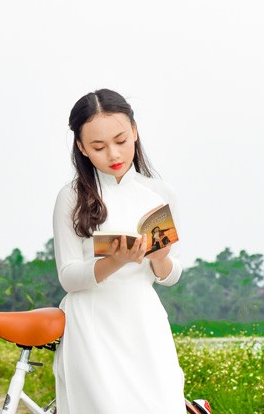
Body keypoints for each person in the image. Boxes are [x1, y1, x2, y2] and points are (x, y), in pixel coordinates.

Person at [53, 88, 184, 414]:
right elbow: (68, 277)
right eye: (98, 146)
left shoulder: (159, 194)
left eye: (121, 140)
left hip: (144, 320)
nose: (113, 153)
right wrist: (114, 261)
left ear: (135, 132)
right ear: (81, 147)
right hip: (91, 324)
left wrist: (159, 259)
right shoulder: (71, 197)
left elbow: (171, 274)